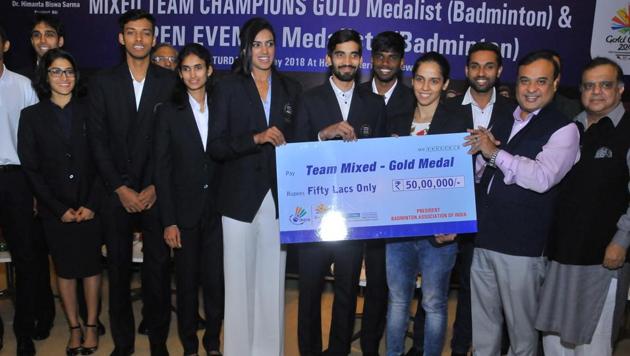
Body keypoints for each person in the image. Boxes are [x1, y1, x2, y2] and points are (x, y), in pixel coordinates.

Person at [465, 50, 580, 356]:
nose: (530, 89)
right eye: (525, 81)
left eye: (540, 82)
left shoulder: (564, 129)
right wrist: (476, 152)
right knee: (484, 328)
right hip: (486, 238)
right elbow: (484, 174)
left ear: (555, 84)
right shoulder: (504, 119)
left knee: (522, 334)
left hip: (523, 248)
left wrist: (493, 153)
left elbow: (542, 178)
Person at [208, 17, 301, 356]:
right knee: (238, 283)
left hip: (279, 198)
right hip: (237, 199)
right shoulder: (228, 86)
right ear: (246, 48)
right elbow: (215, 146)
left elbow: (301, 140)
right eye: (258, 44)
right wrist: (256, 138)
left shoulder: (291, 88)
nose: (265, 51)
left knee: (272, 283)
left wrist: (323, 135)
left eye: (270, 43)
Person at [86, 10, 176, 356]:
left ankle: (157, 342)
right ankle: (123, 344)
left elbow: (171, 143)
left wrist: (154, 186)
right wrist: (120, 188)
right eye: (132, 32)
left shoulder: (169, 84)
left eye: (146, 33)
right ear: (120, 38)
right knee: (119, 273)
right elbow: (96, 141)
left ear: (154, 39)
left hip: (156, 192)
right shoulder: (102, 83)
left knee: (157, 272)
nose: (139, 39)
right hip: (116, 193)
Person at [294, 28, 386, 356]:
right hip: (314, 213)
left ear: (361, 60)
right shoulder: (308, 99)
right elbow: (294, 153)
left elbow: (380, 159)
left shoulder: (374, 104)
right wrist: (323, 133)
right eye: (340, 54)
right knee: (309, 291)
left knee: (347, 291)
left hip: (354, 214)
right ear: (328, 58)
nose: (347, 62)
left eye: (353, 55)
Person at [536, 57, 630, 355]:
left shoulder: (627, 132)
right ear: (580, 91)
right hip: (560, 256)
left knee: (593, 345)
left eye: (605, 85)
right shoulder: (569, 130)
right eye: (589, 86)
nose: (597, 92)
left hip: (602, 260)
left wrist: (622, 240)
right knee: (553, 343)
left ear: (621, 89)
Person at [17, 48, 103, 356]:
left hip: (90, 205)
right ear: (46, 76)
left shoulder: (91, 109)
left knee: (92, 268)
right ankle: (74, 328)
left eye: (69, 71)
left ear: (76, 76)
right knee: (65, 270)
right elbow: (31, 168)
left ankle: (92, 326)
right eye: (56, 71)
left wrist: (92, 202)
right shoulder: (31, 117)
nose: (63, 77)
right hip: (56, 211)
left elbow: (101, 160)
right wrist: (57, 208)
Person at [436, 42, 515, 356]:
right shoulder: (448, 109)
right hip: (458, 210)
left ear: (499, 71)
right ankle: (459, 347)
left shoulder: (513, 111)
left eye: (489, 66)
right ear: (466, 70)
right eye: (476, 66)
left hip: (499, 212)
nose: (482, 73)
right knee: (463, 286)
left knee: (498, 289)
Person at [385, 52, 458, 356]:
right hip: (399, 229)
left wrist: (453, 223)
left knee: (434, 303)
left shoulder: (457, 121)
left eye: (434, 80)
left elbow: (463, 178)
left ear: (445, 84)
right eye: (419, 79)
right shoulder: (396, 116)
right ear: (411, 79)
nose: (425, 87)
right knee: (398, 301)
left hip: (439, 233)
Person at [154, 43, 224, 356]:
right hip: (184, 215)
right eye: (186, 68)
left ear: (209, 70)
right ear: (179, 74)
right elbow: (162, 170)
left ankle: (212, 343)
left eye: (198, 67)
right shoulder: (168, 112)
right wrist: (168, 220)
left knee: (216, 285)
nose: (193, 74)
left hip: (220, 213)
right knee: (185, 286)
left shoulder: (224, 106)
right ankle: (190, 346)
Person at [357, 30, 415, 356]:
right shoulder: (359, 95)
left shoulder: (414, 99)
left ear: (402, 62)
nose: (385, 63)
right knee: (365, 277)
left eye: (392, 57)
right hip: (362, 198)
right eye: (379, 56)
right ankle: (366, 343)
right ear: (372, 59)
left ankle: (384, 345)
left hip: (399, 202)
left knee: (391, 281)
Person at [0, 24, 55, 356]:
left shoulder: (23, 86)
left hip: (17, 179)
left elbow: (37, 143)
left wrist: (38, 189)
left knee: (27, 258)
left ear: (5, 45)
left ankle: (24, 331)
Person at [17, 14, 65, 80]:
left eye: (49, 35)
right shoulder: (21, 78)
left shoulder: (74, 77)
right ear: (32, 41)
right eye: (36, 35)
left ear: (60, 41)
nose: (42, 40)